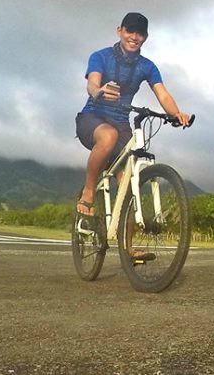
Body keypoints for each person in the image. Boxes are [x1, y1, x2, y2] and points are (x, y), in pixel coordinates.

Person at [74, 12, 190, 233]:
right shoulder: (100, 56)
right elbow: (92, 83)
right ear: (120, 31)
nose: (134, 37)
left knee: (130, 181)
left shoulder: (147, 66)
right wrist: (98, 91)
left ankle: (127, 248)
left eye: (140, 33)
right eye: (130, 31)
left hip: (121, 123)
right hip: (92, 118)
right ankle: (88, 191)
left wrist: (176, 114)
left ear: (145, 37)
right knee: (109, 136)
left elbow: (162, 94)